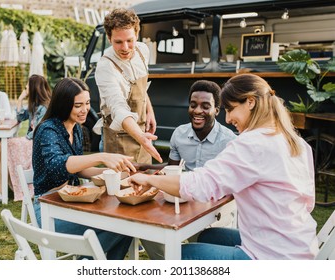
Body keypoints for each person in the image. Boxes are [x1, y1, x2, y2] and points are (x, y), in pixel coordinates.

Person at [129, 73, 319, 260]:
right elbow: (308, 202)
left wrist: (148, 179)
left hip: (272, 258)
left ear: (250, 102)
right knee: (209, 236)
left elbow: (203, 185)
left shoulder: (251, 143)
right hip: (299, 246)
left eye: (230, 109)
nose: (227, 119)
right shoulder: (297, 142)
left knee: (183, 255)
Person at [32, 77, 135, 259]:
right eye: (78, 105)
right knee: (124, 227)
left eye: (87, 103)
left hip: (73, 202)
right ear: (63, 104)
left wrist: (112, 173)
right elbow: (57, 166)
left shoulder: (77, 128)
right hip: (49, 209)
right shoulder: (48, 130)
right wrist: (102, 156)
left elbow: (78, 169)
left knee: (128, 223)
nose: (85, 109)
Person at [93, 8, 162, 164]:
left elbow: (142, 88)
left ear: (137, 35)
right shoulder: (105, 67)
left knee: (144, 184)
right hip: (117, 137)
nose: (125, 47)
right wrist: (142, 138)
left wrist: (149, 111)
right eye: (118, 42)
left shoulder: (143, 51)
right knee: (120, 186)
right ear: (109, 39)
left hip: (142, 131)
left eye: (130, 40)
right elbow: (118, 108)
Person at [0, 75, 51, 204]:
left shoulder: (44, 107)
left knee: (4, 144)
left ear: (34, 87)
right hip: (31, 140)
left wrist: (25, 139)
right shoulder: (35, 105)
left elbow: (38, 132)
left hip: (36, 142)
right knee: (4, 144)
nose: (26, 87)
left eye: (28, 85)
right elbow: (19, 117)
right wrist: (20, 99)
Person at [137, 80, 236, 172]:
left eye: (205, 107)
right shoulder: (179, 134)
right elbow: (173, 167)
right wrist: (143, 167)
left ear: (216, 111)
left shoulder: (229, 141)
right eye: (193, 105)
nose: (197, 111)